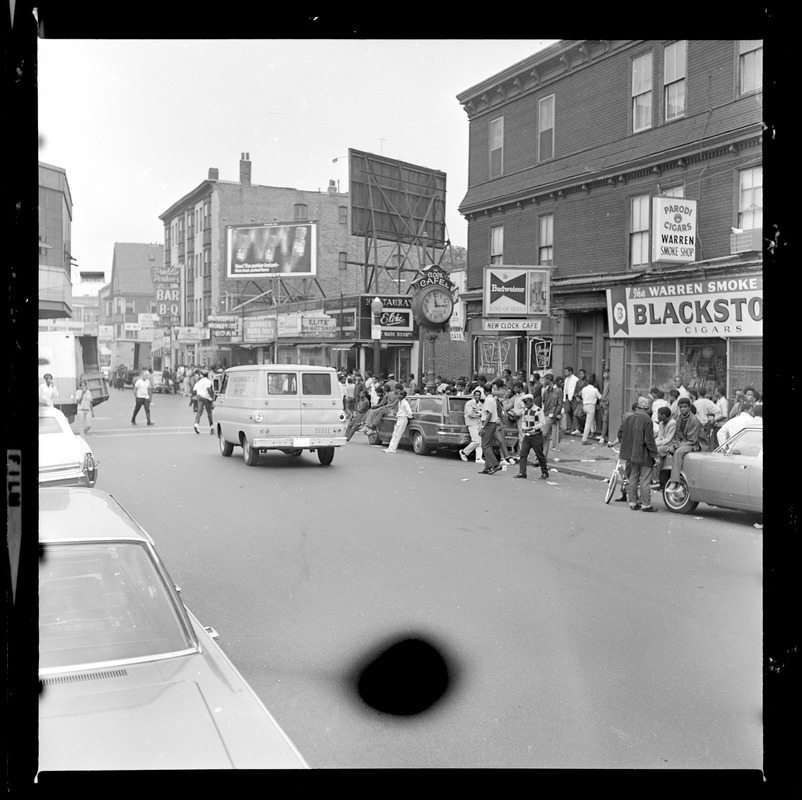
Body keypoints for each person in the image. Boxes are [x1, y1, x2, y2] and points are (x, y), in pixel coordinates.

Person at [617, 396, 659, 512]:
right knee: (645, 479)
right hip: (644, 454)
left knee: (633, 477)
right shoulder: (647, 420)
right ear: (647, 407)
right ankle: (646, 504)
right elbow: (649, 441)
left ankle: (633, 502)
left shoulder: (628, 419)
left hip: (631, 454)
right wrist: (655, 455)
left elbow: (620, 434)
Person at [665, 397, 701, 489]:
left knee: (678, 452)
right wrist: (675, 444)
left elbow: (692, 440)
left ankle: (674, 481)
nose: (682, 409)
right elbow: (676, 434)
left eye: (685, 407)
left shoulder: (694, 420)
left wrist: (677, 446)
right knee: (665, 448)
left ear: (689, 407)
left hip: (691, 444)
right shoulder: (679, 418)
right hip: (680, 443)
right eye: (680, 407)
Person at [512, 394, 549, 480]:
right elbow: (524, 420)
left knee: (539, 455)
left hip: (536, 436)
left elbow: (542, 423)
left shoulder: (538, 410)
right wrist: (524, 428)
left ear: (532, 401)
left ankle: (545, 472)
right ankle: (522, 472)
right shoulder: (525, 410)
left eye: (527, 403)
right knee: (523, 454)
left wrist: (532, 428)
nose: (526, 405)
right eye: (525, 403)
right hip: (528, 436)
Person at [478, 379, 504, 475]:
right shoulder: (492, 399)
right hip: (492, 423)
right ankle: (488, 467)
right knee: (488, 445)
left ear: (484, 391)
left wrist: (483, 426)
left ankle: (495, 464)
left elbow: (489, 414)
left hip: (489, 424)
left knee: (485, 445)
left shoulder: (488, 400)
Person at [652, 405, 677, 487]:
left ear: (664, 416)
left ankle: (656, 479)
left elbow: (668, 439)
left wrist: (655, 444)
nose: (657, 416)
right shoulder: (661, 423)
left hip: (670, 445)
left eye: (659, 414)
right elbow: (660, 436)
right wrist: (653, 443)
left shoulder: (672, 423)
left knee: (657, 451)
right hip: (663, 444)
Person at [459, 387, 485, 463]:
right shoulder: (469, 403)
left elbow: (483, 413)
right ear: (474, 396)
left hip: (479, 423)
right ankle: (464, 452)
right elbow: (470, 413)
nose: (478, 397)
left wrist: (479, 413)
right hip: (471, 423)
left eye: (479, 395)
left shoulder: (481, 404)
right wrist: (479, 414)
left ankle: (478, 458)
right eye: (476, 395)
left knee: (480, 441)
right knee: (476, 441)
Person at [539, 372, 562, 459]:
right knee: (546, 436)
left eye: (545, 379)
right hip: (545, 413)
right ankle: (543, 456)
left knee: (544, 434)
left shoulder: (558, 391)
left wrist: (555, 414)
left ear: (549, 380)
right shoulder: (546, 391)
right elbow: (543, 401)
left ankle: (540, 456)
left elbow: (559, 404)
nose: (544, 381)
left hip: (551, 415)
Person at [580, 378, 602, 444]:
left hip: (584, 405)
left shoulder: (584, 389)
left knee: (590, 420)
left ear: (587, 383)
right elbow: (600, 397)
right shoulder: (595, 390)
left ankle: (592, 432)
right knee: (588, 423)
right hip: (591, 406)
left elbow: (582, 396)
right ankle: (584, 439)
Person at [192, 369, 215, 434]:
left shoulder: (198, 382)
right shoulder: (208, 381)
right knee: (209, 412)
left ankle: (196, 424)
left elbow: (194, 390)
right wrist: (212, 397)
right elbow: (208, 389)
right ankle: (211, 426)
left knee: (199, 411)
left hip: (199, 397)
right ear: (207, 375)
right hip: (206, 397)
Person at [562, 366, 579, 434]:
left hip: (573, 398)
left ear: (571, 372)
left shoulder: (575, 379)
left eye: (566, 371)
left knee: (575, 413)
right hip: (567, 398)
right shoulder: (566, 379)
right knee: (567, 412)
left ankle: (575, 428)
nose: (565, 373)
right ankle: (569, 427)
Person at [597, 369, 611, 444]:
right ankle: (603, 434)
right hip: (602, 401)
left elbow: (610, 392)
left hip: (606, 402)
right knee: (603, 419)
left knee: (605, 419)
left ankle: (603, 437)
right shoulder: (605, 381)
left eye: (605, 374)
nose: (603, 375)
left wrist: (607, 400)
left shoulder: (611, 382)